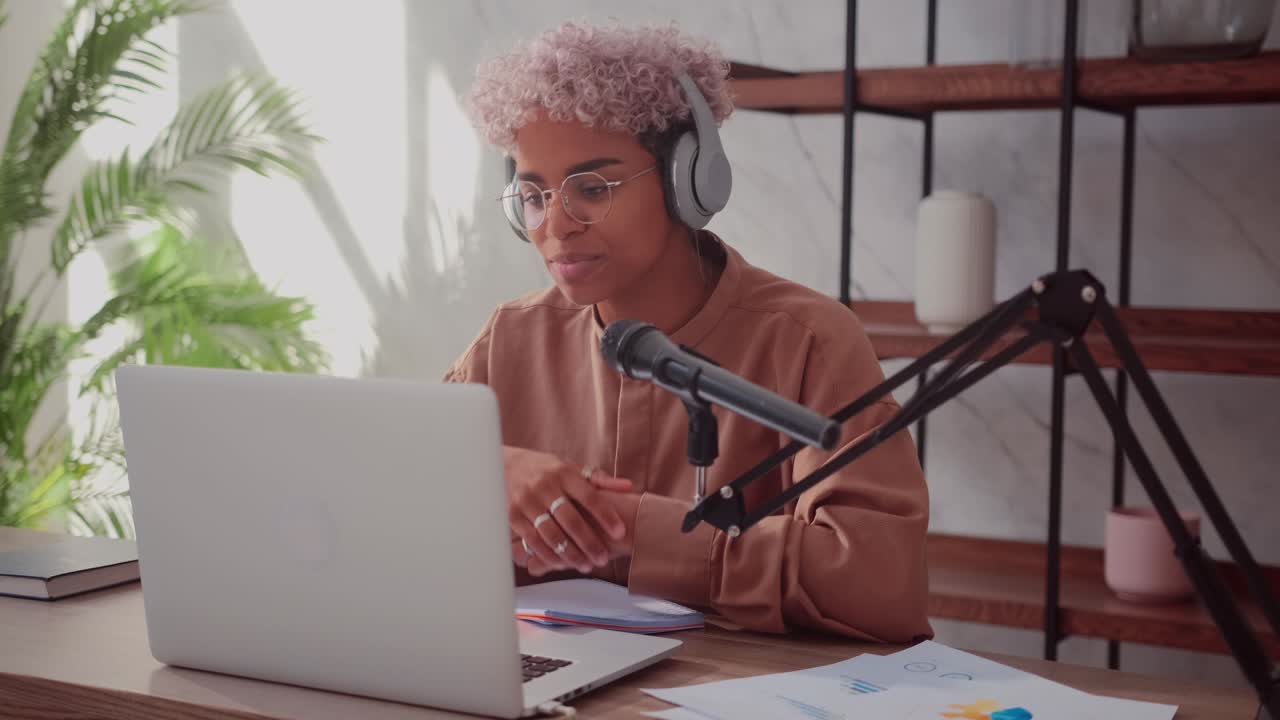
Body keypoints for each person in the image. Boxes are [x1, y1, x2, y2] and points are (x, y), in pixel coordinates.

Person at [446, 20, 931, 643]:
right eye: (534, 195)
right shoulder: (509, 339)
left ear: (690, 178)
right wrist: (493, 468)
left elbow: (880, 584)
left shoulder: (806, 340)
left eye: (592, 188)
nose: (555, 226)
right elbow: (390, 488)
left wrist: (637, 526)